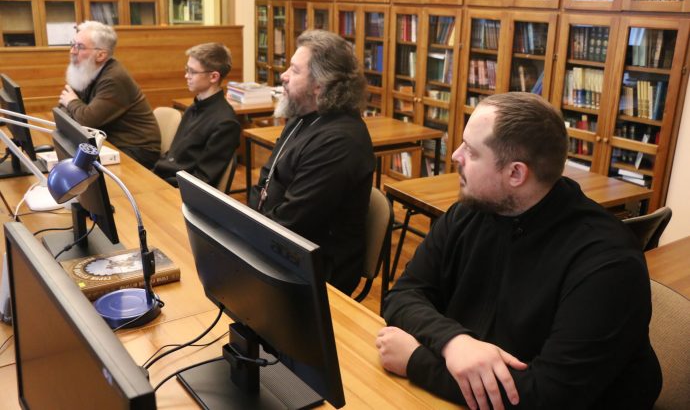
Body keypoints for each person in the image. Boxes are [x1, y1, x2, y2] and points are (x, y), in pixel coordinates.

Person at [376, 92, 662, 409]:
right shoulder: (469, 212)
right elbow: (403, 295)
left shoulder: (608, 263)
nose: (456, 155)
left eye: (471, 150)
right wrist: (454, 342)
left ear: (515, 173)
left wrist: (417, 361)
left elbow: (548, 397)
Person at [249, 29, 375, 295]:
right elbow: (266, 179)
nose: (283, 76)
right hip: (279, 245)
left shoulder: (340, 141)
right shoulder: (302, 117)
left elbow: (294, 223)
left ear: (320, 85)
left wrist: (246, 236)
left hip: (315, 272)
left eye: (294, 70)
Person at [58, 20, 161, 168]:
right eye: (72, 44)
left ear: (101, 55)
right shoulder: (87, 70)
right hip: (109, 143)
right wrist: (72, 104)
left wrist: (72, 102)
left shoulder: (114, 79)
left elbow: (86, 120)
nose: (72, 51)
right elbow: (62, 111)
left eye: (80, 47)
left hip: (136, 149)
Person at [153, 43, 240, 187]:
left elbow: (203, 179)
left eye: (192, 72)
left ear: (213, 77)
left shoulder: (225, 123)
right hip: (163, 179)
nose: (186, 76)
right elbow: (174, 156)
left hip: (178, 190)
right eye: (187, 69)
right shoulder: (193, 108)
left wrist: (160, 185)